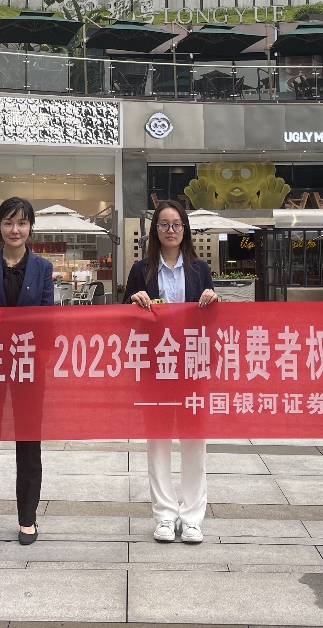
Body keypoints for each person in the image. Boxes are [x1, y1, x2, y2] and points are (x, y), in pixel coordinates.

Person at [126, 200, 218, 544]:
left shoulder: (199, 269)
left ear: (185, 229)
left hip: (193, 365)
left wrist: (212, 300)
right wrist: (135, 301)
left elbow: (211, 318)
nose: (170, 230)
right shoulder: (141, 270)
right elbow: (125, 317)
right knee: (158, 442)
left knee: (195, 442)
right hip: (156, 367)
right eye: (163, 224)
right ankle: (165, 516)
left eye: (176, 224)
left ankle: (192, 518)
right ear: (155, 230)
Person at [0, 196, 54, 549]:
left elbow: (48, 319)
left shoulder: (43, 268)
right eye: (8, 222)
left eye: (21, 223)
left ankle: (28, 517)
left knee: (29, 442)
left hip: (28, 365)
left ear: (30, 227)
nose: (15, 230)